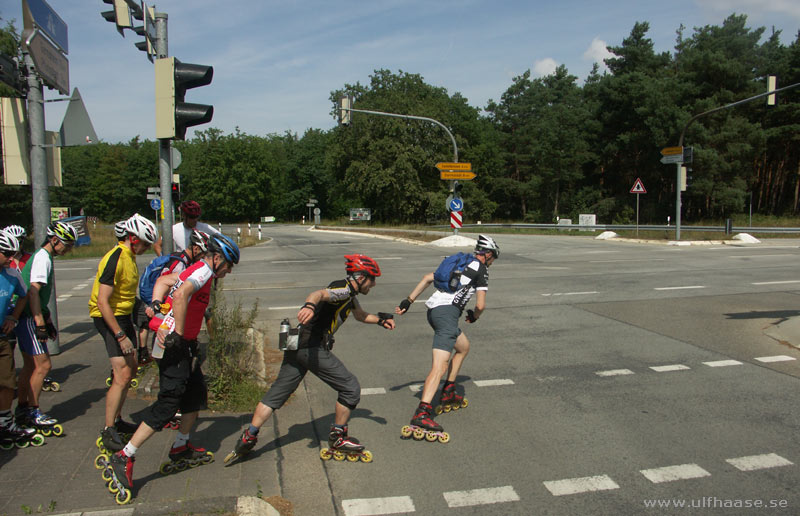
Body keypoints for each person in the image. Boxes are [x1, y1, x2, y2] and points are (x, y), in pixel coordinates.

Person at [224, 254, 395, 465]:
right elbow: (318, 294)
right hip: (310, 347)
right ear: (360, 278)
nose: (374, 284)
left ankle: (248, 437)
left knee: (278, 392)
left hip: (297, 345)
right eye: (372, 278)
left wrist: (381, 321)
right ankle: (338, 437)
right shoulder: (342, 291)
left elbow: (360, 315)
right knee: (350, 387)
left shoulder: (348, 294)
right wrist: (309, 306)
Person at [106, 234, 240, 491]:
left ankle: (181, 446)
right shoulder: (202, 272)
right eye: (228, 265)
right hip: (174, 346)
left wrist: (157, 305)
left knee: (195, 394)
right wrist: (177, 332)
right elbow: (179, 296)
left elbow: (166, 281)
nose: (229, 270)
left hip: (185, 344)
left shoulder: (201, 270)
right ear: (217, 258)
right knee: (169, 402)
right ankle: (124, 455)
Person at [394, 235, 500, 438]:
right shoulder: (481, 269)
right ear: (487, 254)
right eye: (493, 257)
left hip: (434, 312)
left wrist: (408, 301)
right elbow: (480, 305)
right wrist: (474, 316)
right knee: (439, 366)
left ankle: (449, 389)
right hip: (447, 314)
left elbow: (427, 278)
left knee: (463, 347)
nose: (493, 261)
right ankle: (422, 412)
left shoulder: (462, 263)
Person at [89, 214, 158, 452]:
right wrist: (120, 335)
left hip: (123, 314)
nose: (146, 248)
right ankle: (109, 429)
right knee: (121, 374)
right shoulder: (116, 258)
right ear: (131, 238)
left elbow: (125, 294)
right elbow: (102, 301)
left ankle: (117, 420)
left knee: (131, 369)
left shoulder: (129, 256)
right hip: (108, 318)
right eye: (144, 243)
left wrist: (143, 308)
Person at [14, 221, 77, 432]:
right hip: (29, 318)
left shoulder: (43, 256)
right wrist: (40, 323)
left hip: (28, 316)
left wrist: (47, 319)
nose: (68, 250)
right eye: (67, 245)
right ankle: (32, 411)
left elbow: (38, 296)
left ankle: (23, 408)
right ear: (54, 240)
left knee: (30, 367)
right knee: (44, 366)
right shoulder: (42, 258)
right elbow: (33, 292)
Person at [0, 232, 41, 448]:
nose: (10, 257)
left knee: (7, 382)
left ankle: (5, 422)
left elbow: (24, 295)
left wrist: (13, 318)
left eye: (13, 254)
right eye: (6, 253)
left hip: (2, 337)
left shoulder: (12, 274)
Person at [152, 200, 219, 256]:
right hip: (183, 267)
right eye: (192, 217)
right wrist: (164, 260)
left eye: (197, 217)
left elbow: (223, 240)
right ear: (184, 215)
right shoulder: (174, 229)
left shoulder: (205, 227)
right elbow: (157, 246)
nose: (195, 220)